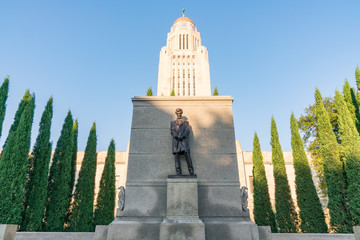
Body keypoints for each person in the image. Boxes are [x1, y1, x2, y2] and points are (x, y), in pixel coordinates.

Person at [170, 108, 195, 175]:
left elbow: (187, 130)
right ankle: (178, 171)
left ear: (182, 114)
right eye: (178, 114)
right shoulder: (173, 123)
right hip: (176, 141)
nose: (179, 115)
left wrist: (183, 136)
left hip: (184, 141)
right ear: (176, 114)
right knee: (177, 156)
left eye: (180, 113)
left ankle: (191, 170)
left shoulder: (186, 123)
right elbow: (172, 131)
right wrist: (177, 136)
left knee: (187, 155)